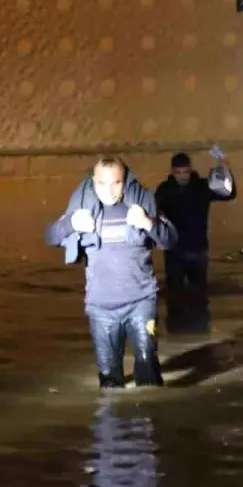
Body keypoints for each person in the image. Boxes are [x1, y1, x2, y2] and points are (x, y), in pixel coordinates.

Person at [45, 156, 178, 389]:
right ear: (93, 181)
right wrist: (70, 224)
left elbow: (171, 240)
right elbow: (50, 237)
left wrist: (148, 223)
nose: (109, 190)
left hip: (141, 302)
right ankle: (112, 422)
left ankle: (151, 418)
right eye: (103, 183)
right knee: (109, 378)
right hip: (101, 307)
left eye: (116, 183)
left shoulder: (142, 202)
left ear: (124, 180)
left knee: (148, 372)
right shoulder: (82, 207)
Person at [153, 151, 237, 292]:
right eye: (178, 172)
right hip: (175, 251)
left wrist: (226, 171)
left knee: (199, 292)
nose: (182, 176)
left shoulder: (202, 187)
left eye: (185, 172)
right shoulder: (165, 190)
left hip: (198, 249)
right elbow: (155, 213)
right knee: (175, 293)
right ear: (172, 172)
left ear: (190, 170)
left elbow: (228, 194)